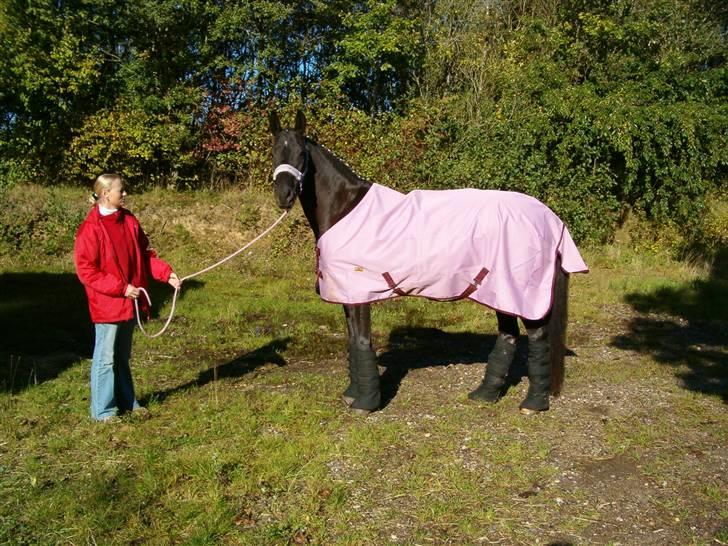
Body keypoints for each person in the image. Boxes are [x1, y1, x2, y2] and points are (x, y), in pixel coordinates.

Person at [74, 173, 181, 422]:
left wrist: (167, 275)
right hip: (108, 303)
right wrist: (121, 288)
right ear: (105, 194)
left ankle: (127, 403)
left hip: (130, 302)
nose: (125, 194)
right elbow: (86, 270)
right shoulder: (90, 229)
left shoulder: (130, 220)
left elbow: (145, 256)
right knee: (105, 359)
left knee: (122, 357)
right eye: (121, 190)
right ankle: (103, 412)